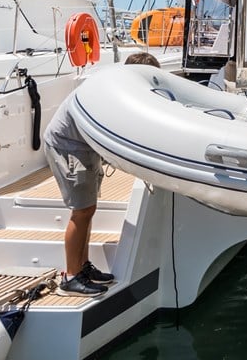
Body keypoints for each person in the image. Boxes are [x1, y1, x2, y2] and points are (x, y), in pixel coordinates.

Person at [44, 51, 161, 296]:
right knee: (82, 210)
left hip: (82, 146)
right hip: (68, 146)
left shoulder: (117, 88)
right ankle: (71, 277)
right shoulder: (110, 94)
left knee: (88, 208)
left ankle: (83, 267)